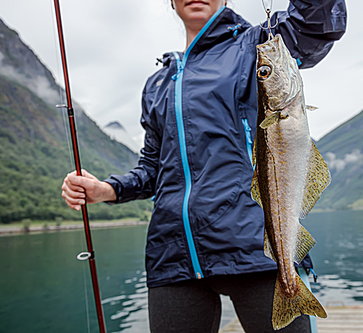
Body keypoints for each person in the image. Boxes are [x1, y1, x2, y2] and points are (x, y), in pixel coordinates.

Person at [61, 0, 346, 332]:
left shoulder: (260, 46)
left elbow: (317, 22)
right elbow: (154, 167)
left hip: (259, 250)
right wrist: (109, 189)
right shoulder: (157, 84)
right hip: (173, 257)